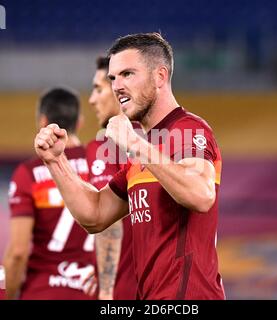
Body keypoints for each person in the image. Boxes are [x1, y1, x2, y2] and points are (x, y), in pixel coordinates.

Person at [34, 32, 225, 299]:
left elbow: (201, 195)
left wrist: (135, 144)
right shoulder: (145, 152)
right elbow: (95, 215)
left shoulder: (188, 129)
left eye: (128, 74)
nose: (117, 86)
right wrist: (56, 161)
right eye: (113, 78)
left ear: (160, 76)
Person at [4, 88, 97, 300]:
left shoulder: (28, 173)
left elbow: (17, 253)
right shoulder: (100, 166)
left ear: (42, 121)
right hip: (92, 292)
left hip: (42, 291)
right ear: (80, 122)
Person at [85, 56, 137, 300]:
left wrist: (106, 292)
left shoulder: (107, 142)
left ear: (118, 91)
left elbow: (109, 223)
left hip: (123, 291)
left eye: (98, 89)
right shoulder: (153, 137)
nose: (91, 99)